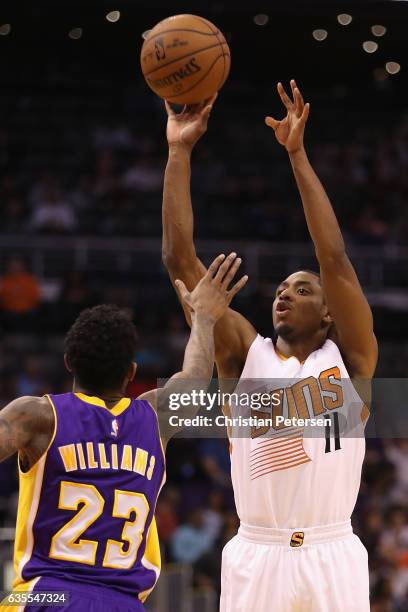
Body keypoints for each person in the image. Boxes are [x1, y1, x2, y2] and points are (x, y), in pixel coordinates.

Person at [162, 81, 378, 611]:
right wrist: (179, 152)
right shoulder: (243, 354)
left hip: (333, 548)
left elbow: (334, 257)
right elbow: (180, 260)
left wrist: (298, 156)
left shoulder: (350, 361)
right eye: (281, 288)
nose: (284, 293)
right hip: (259, 552)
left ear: (329, 311)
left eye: (302, 289)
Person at [0, 254, 247, 612]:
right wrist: (205, 318)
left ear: (69, 361)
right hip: (123, 603)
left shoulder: (37, 417)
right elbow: (194, 379)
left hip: (46, 595)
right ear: (132, 372)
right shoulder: (154, 418)